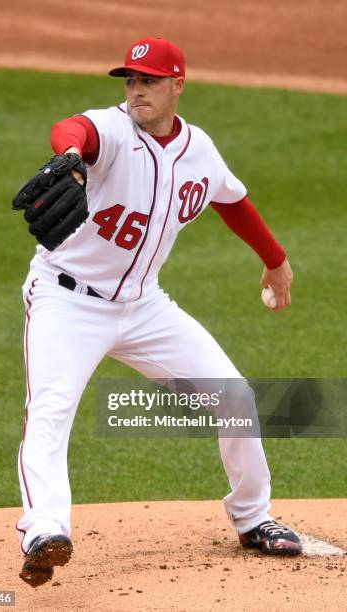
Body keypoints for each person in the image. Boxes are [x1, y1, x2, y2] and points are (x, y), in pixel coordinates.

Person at [16, 37, 300, 588]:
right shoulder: (114, 130)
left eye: (148, 80)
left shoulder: (199, 148)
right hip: (66, 300)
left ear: (177, 85)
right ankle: (43, 532)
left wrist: (276, 261)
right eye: (130, 80)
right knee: (50, 410)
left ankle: (252, 517)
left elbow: (232, 200)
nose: (137, 91)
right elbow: (75, 129)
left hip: (144, 306)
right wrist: (71, 158)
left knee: (235, 396)